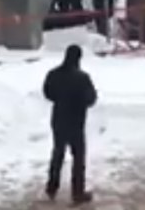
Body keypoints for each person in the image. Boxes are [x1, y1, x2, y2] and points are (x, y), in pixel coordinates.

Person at [42, 44, 97, 205]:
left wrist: (60, 100)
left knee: (57, 153)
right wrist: (79, 103)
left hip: (58, 119)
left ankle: (52, 187)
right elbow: (91, 99)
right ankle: (77, 192)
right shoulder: (82, 78)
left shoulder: (53, 74)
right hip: (76, 121)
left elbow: (47, 92)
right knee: (78, 157)